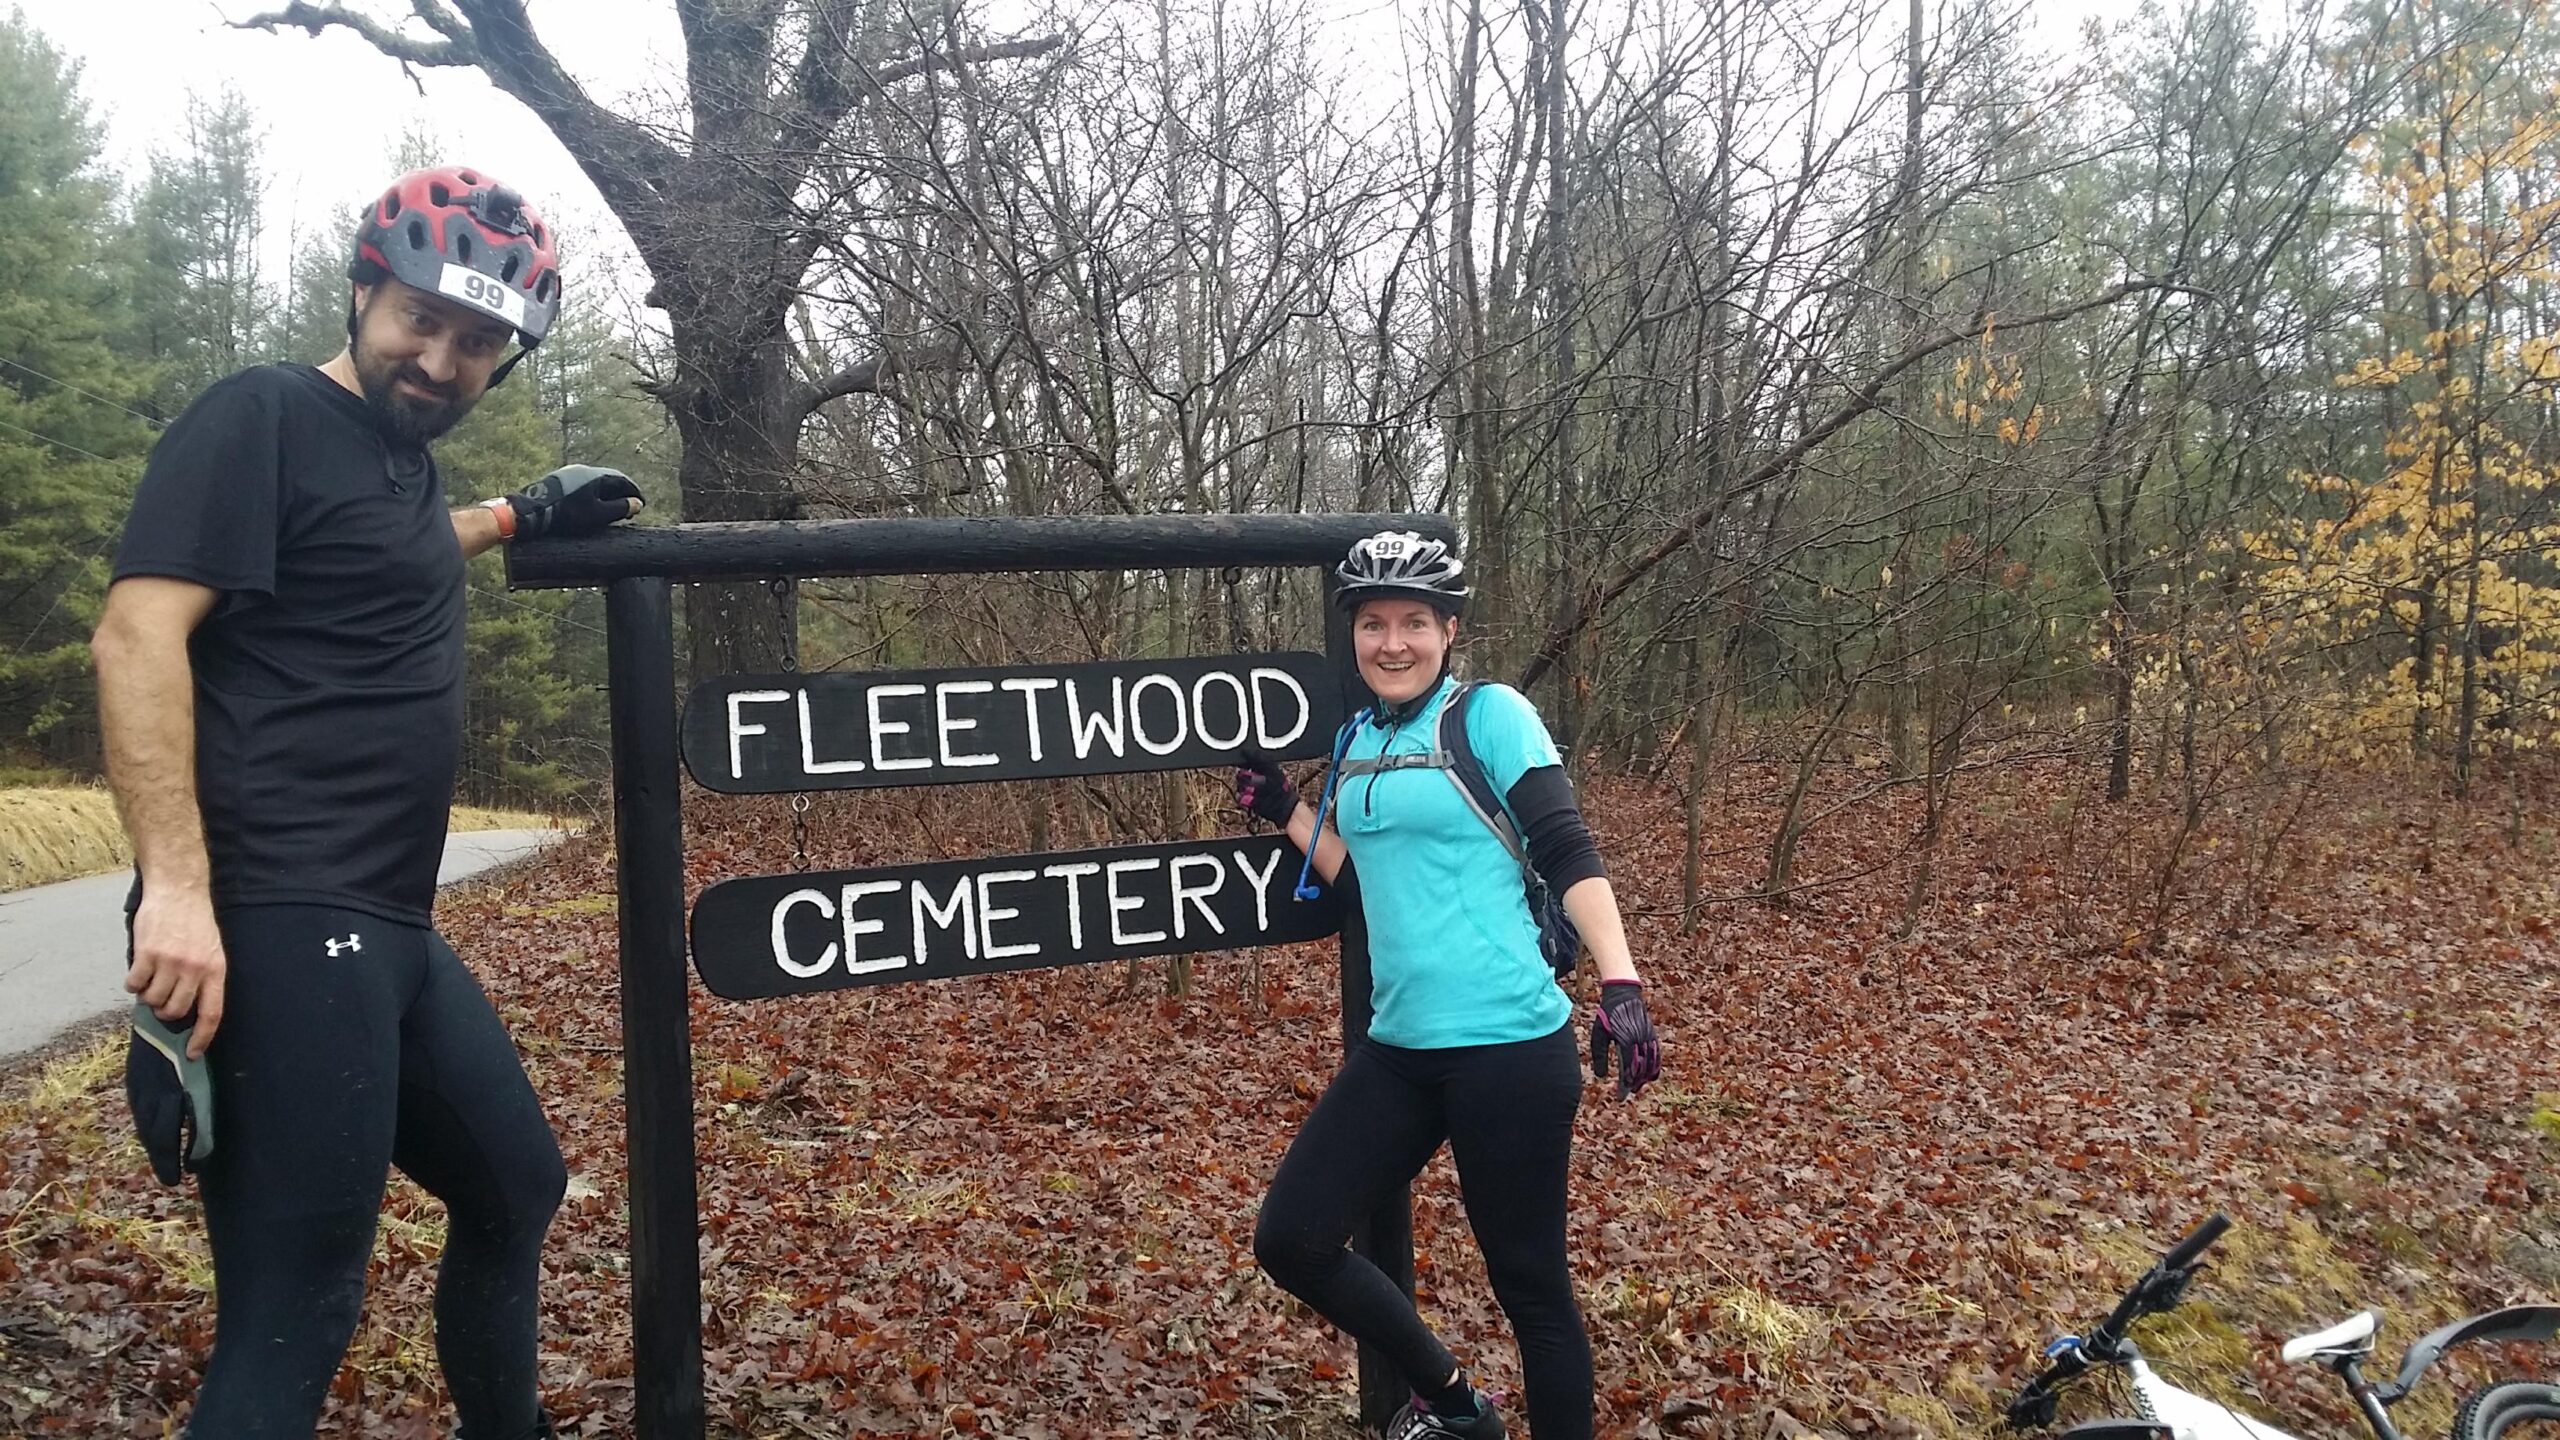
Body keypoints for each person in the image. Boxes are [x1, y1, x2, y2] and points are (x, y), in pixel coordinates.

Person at [91, 165, 645, 1439]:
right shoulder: (262, 416)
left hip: (388, 921)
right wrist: (175, 892)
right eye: (418, 320)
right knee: (297, 1306)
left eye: (477, 342)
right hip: (278, 910)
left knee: (516, 1186)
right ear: (360, 290)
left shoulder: (389, 470)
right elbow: (136, 636)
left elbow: (365, 551)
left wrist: (510, 515)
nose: (441, 360)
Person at [1232, 531, 1663, 1440]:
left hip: (1509, 1048)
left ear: (1448, 630)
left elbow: (1567, 849)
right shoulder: (1357, 740)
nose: (1393, 642)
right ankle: (1458, 1403)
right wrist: (1285, 810)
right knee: (1293, 1238)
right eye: (1374, 623)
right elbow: (1359, 887)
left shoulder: (1491, 715)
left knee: (1532, 1289)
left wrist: (1620, 981)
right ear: (1354, 634)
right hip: (1402, 1049)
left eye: (1414, 624)